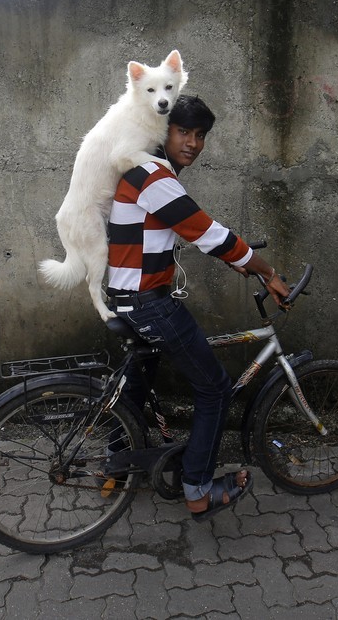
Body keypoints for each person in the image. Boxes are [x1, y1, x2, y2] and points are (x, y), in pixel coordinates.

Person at [106, 94, 290, 521]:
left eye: (200, 135)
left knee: (135, 385)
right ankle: (198, 492)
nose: (192, 142)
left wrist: (236, 260)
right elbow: (207, 233)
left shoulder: (144, 170)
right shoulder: (153, 176)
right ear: (162, 132)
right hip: (146, 304)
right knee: (214, 388)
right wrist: (266, 271)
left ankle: (116, 467)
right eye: (183, 131)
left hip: (126, 297)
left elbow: (190, 234)